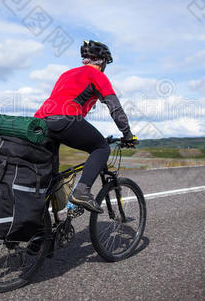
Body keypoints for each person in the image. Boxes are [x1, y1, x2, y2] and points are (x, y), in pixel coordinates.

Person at [34, 40, 137, 213]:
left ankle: (42, 231)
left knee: (51, 177)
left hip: (41, 122)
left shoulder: (66, 74)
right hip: (66, 119)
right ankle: (82, 191)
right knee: (101, 148)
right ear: (102, 61)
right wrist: (127, 135)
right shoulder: (97, 76)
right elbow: (115, 108)